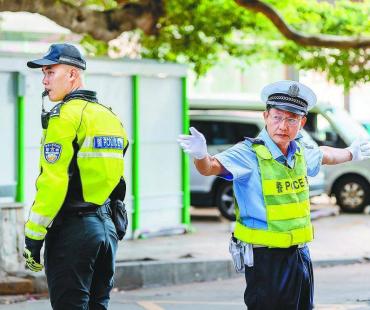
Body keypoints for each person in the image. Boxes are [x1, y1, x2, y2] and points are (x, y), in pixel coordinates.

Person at [178, 80, 370, 310]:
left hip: (299, 254)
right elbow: (210, 167)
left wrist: (350, 152)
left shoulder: (299, 151)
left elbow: (324, 154)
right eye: (277, 117)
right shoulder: (247, 153)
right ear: (266, 117)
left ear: (302, 122)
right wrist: (201, 155)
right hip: (265, 260)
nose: (283, 126)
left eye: (291, 119)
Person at [23, 43, 129, 310]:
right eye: (43, 74)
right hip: (106, 230)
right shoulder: (110, 117)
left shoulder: (64, 117)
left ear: (72, 75)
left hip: (73, 229)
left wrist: (33, 237)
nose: (45, 81)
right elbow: (117, 178)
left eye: (50, 72)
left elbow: (53, 181)